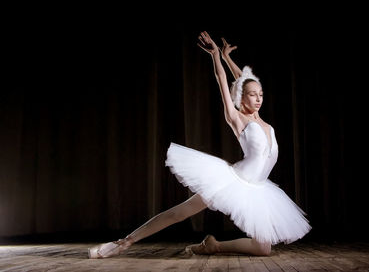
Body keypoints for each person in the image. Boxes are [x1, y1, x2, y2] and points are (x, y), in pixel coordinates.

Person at [88, 31, 311, 259]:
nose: (258, 99)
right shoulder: (237, 118)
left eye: (260, 94)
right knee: (181, 212)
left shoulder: (262, 121)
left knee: (262, 249)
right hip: (232, 181)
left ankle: (213, 246)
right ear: (241, 98)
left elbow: (242, 79)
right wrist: (216, 56)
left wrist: (228, 57)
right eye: (253, 95)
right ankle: (124, 242)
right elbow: (224, 80)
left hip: (260, 189)